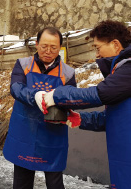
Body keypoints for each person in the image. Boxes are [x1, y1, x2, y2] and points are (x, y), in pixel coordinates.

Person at [37, 20, 131, 189]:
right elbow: (112, 118)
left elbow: (99, 94)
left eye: (98, 47)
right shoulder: (121, 70)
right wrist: (78, 118)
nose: (97, 55)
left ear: (116, 45)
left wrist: (58, 94)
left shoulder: (129, 68)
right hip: (122, 163)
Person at [2, 27, 76, 189]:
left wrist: (69, 110)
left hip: (53, 134)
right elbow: (16, 88)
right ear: (36, 44)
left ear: (59, 48)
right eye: (44, 46)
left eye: (53, 47)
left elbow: (71, 98)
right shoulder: (23, 65)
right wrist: (35, 96)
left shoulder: (68, 73)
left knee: (55, 182)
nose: (48, 51)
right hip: (25, 131)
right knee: (22, 181)